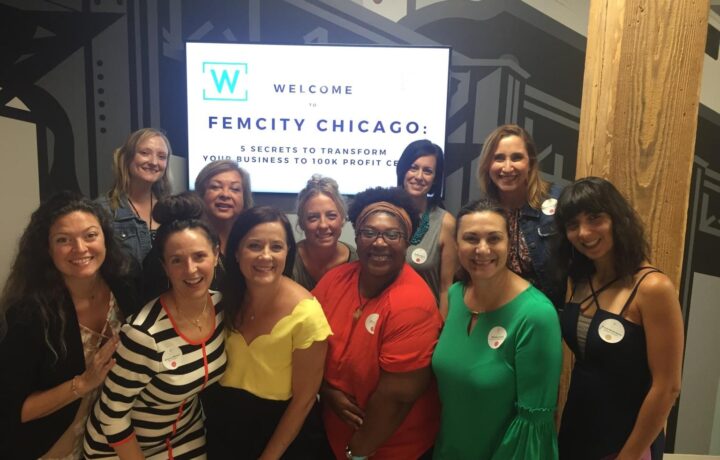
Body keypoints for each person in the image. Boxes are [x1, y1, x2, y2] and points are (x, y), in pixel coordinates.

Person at [83, 193, 227, 458]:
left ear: (216, 255)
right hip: (119, 446)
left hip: (184, 431)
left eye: (199, 256)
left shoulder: (222, 308)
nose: (191, 269)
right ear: (164, 266)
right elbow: (112, 415)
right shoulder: (144, 334)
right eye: (176, 260)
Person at [554, 177, 684, 460]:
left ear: (617, 219)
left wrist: (630, 455)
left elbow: (667, 386)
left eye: (595, 218)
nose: (584, 233)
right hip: (577, 429)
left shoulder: (652, 288)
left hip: (629, 440)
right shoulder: (580, 281)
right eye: (573, 224)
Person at [0, 192, 137, 459]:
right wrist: (82, 384)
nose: (80, 248)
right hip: (51, 449)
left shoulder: (125, 288)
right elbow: (14, 409)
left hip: (113, 444)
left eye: (90, 235)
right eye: (63, 240)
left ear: (105, 238)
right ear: (47, 248)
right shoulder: (29, 314)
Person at [314, 186, 443, 460]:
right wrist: (324, 389)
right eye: (369, 233)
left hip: (389, 448)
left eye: (392, 234)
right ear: (357, 238)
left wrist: (357, 452)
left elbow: (396, 399)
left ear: (407, 240)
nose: (379, 243)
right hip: (333, 436)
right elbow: (304, 344)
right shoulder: (334, 280)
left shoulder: (413, 303)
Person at [431, 199, 562, 459]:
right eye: (471, 238)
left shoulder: (536, 315)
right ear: (457, 244)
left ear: (509, 244)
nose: (482, 249)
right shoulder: (456, 297)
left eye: (494, 238)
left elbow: (534, 427)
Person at [203, 206, 332, 459]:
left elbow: (304, 401)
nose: (265, 256)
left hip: (281, 433)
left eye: (276, 247)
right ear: (237, 252)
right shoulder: (222, 299)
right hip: (223, 426)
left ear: (288, 253)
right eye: (254, 246)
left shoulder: (307, 314)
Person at [140, 160, 253, 303]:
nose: (225, 194)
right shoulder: (177, 239)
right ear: (201, 194)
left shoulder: (252, 244)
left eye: (235, 189)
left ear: (244, 198)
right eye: (215, 187)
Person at [477, 124, 565, 307]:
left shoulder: (559, 200)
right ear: (487, 165)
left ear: (530, 162)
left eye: (516, 158)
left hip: (553, 314)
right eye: (498, 158)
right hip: (503, 313)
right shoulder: (484, 213)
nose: (507, 167)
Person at [396, 140, 457, 316]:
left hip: (426, 323)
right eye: (413, 167)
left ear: (435, 179)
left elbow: (446, 289)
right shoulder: (383, 214)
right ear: (403, 170)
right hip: (385, 319)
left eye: (428, 171)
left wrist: (443, 332)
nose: (419, 176)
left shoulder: (445, 223)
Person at [97, 128, 172, 266]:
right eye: (145, 153)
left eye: (162, 156)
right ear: (126, 158)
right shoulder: (102, 211)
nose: (154, 162)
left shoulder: (172, 209)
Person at [293, 174, 357, 290]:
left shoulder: (357, 262)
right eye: (313, 217)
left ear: (342, 219)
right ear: (302, 223)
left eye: (331, 216)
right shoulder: (288, 261)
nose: (323, 225)